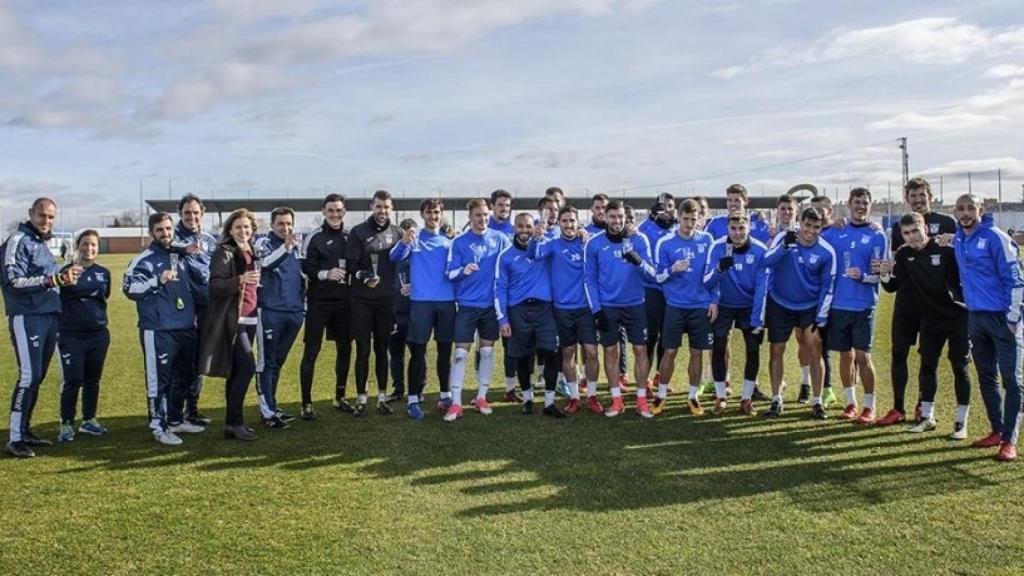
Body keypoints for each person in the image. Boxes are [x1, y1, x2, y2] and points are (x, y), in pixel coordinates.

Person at [879, 213, 972, 438]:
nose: (912, 237)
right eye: (906, 233)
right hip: (930, 319)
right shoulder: (903, 254)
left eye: (915, 231)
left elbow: (969, 273)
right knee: (927, 366)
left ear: (926, 229)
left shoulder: (945, 249)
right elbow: (894, 286)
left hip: (958, 317)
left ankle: (961, 422)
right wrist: (883, 273)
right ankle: (927, 417)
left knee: (959, 367)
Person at [949, 193, 1023, 461]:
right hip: (976, 318)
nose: (966, 213)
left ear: (981, 209)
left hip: (1003, 320)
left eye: (971, 208)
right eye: (961, 208)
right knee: (986, 376)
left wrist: (1013, 318)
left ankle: (1009, 441)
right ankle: (997, 429)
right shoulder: (959, 238)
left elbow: (1016, 280)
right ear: (955, 212)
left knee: (1012, 381)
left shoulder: (996, 237)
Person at [2, 198, 78, 458]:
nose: (46, 221)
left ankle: (24, 430)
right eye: (42, 216)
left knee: (38, 376)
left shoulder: (41, 243)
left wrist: (62, 278)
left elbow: (49, 279)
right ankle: (14, 438)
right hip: (27, 316)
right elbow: (13, 281)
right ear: (30, 214)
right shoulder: (18, 241)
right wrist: (52, 279)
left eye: (51, 217)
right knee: (28, 376)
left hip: (48, 316)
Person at [123, 212, 207, 446]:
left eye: (169, 229)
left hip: (186, 327)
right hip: (158, 330)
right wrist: (157, 280)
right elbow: (129, 289)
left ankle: (175, 419)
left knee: (186, 375)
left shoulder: (180, 255)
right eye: (160, 230)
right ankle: (158, 426)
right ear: (151, 233)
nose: (166, 233)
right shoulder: (144, 259)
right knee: (159, 381)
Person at [881, 177, 957, 423]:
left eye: (921, 194)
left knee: (928, 357)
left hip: (933, 303)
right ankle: (897, 407)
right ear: (907, 198)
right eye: (913, 196)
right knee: (898, 352)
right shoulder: (898, 228)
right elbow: (898, 263)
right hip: (906, 300)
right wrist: (884, 273)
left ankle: (922, 406)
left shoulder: (947, 223)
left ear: (930, 196)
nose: (918, 199)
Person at [761, 206, 836, 420]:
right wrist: (784, 247)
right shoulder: (785, 237)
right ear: (799, 222)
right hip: (780, 303)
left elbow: (827, 285)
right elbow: (766, 261)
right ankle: (776, 399)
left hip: (810, 307)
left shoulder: (826, 250)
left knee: (815, 348)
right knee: (777, 349)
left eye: (816, 227)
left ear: (821, 227)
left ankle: (817, 401)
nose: (810, 231)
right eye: (807, 225)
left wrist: (821, 317)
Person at [584, 199, 656, 417]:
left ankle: (641, 400)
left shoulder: (639, 239)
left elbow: (652, 273)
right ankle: (616, 400)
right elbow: (590, 279)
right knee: (610, 351)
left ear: (626, 218)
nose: (617, 221)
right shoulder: (594, 243)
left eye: (621, 217)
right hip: (608, 306)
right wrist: (596, 310)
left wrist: (638, 261)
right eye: (613, 217)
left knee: (640, 350)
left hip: (635, 304)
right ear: (605, 217)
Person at [443, 198, 512, 422]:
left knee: (487, 353)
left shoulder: (500, 239)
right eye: (477, 215)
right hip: (466, 306)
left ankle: (481, 397)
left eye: (484, 215)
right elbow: (449, 273)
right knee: (461, 354)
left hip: (490, 307)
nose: (482, 219)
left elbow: (512, 262)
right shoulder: (459, 242)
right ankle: (455, 403)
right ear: (469, 217)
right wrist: (464, 270)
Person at [198, 209, 261, 441]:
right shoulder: (224, 252)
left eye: (246, 227)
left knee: (236, 371)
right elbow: (215, 286)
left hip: (250, 317)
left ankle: (232, 424)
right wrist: (240, 280)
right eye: (238, 227)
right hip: (234, 319)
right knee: (246, 368)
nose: (243, 231)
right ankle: (235, 422)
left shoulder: (252, 250)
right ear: (230, 230)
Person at [390, 199, 456, 420]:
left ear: (441, 213)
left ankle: (445, 395)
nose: (433, 216)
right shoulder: (414, 240)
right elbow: (394, 257)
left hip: (447, 303)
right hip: (421, 304)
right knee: (418, 351)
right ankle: (413, 399)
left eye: (436, 212)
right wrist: (403, 242)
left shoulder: (449, 242)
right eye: (428, 213)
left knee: (445, 350)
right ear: (422, 215)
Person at [497, 213, 566, 417]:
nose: (525, 230)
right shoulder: (506, 256)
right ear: (514, 228)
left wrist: (581, 233)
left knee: (552, 353)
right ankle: (527, 399)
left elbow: (563, 240)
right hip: (518, 310)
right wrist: (502, 319)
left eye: (528, 226)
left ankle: (549, 403)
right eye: (521, 226)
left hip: (544, 309)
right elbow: (499, 289)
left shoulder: (544, 247)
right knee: (522, 356)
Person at [828, 187, 887, 424]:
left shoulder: (877, 235)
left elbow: (879, 274)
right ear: (848, 204)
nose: (861, 207)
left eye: (865, 203)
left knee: (863, 356)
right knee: (845, 356)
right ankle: (850, 403)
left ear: (870, 206)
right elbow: (810, 237)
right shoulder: (836, 231)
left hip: (864, 305)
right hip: (839, 304)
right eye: (857, 202)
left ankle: (869, 406)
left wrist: (862, 276)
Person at [653, 199, 715, 417]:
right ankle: (661, 394)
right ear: (679, 217)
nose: (689, 223)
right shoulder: (666, 242)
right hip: (675, 305)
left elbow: (713, 274)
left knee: (697, 352)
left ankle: (692, 396)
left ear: (699, 219)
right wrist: (672, 269)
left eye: (693, 219)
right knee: (669, 351)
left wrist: (713, 299)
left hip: (700, 306)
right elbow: (657, 276)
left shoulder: (707, 240)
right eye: (686, 218)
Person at [703, 213, 769, 416]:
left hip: (749, 305)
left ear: (748, 227)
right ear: (728, 229)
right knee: (719, 344)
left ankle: (747, 398)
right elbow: (707, 282)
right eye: (734, 229)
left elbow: (762, 287)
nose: (738, 233)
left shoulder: (760, 250)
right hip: (724, 305)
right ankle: (721, 397)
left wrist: (758, 317)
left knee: (753, 348)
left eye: (742, 228)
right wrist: (719, 269)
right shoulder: (718, 246)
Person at [346, 190, 402, 416]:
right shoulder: (358, 232)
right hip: (361, 300)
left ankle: (381, 397)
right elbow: (350, 264)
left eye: (386, 207)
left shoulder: (398, 233)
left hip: (386, 302)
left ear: (392, 209)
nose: (382, 211)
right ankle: (361, 398)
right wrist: (363, 276)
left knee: (382, 349)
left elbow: (403, 263)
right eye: (378, 207)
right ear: (372, 207)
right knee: (363, 349)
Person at [299, 194, 352, 420]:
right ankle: (306, 403)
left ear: (344, 212)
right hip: (319, 302)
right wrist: (325, 274)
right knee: (312, 350)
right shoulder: (314, 236)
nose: (335, 215)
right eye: (331, 210)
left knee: (345, 350)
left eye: (339, 210)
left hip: (344, 303)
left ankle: (339, 397)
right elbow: (304, 267)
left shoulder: (351, 237)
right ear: (323, 211)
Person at [56, 230, 111, 442]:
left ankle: (89, 420)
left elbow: (104, 297)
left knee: (93, 380)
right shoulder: (65, 272)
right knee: (72, 380)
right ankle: (67, 422)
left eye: (94, 245)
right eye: (85, 244)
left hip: (98, 335)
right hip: (71, 336)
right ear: (78, 246)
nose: (89, 249)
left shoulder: (103, 273)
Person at [253, 207, 304, 429]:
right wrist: (285, 247)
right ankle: (267, 411)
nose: (285, 228)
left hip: (293, 312)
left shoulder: (295, 246)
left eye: (288, 223)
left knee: (279, 361)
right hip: (271, 311)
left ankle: (272, 405)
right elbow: (265, 264)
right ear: (272, 225)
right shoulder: (264, 243)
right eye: (281, 224)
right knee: (267, 362)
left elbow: (301, 277)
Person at [173, 194, 216, 426]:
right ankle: (173, 412)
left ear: (202, 213)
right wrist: (181, 248)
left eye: (196, 213)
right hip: (181, 311)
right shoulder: (172, 238)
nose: (192, 217)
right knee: (182, 364)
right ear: (180, 213)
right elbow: (165, 246)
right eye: (187, 213)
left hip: (206, 309)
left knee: (200, 363)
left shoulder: (209, 240)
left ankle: (193, 409)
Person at [638, 195, 676, 392]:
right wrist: (650, 217)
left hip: (672, 291)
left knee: (666, 337)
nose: (666, 210)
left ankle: (660, 377)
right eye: (662, 207)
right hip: (651, 290)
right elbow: (635, 233)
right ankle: (644, 380)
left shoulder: (677, 229)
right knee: (650, 337)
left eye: (670, 206)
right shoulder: (647, 228)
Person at [387, 218, 418, 404]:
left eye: (413, 233)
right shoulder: (394, 253)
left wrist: (416, 285)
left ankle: (418, 389)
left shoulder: (419, 254)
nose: (410, 236)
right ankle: (398, 389)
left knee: (417, 352)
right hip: (395, 309)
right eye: (406, 233)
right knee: (395, 352)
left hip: (414, 310)